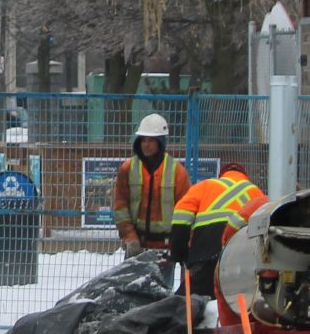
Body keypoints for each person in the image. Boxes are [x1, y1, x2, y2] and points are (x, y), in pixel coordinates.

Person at [170, 160, 264, 299]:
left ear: (222, 175)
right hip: (238, 260)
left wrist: (179, 253)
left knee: (187, 302)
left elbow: (181, 217)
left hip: (204, 256)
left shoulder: (205, 186)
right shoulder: (255, 192)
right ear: (245, 176)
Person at [111, 112, 191, 255]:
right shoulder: (128, 168)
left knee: (162, 279)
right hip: (136, 246)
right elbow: (120, 206)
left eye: (151, 140)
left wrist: (181, 241)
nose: (146, 145)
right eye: (143, 140)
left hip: (166, 247)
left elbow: (186, 210)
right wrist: (130, 237)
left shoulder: (177, 171)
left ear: (160, 142)